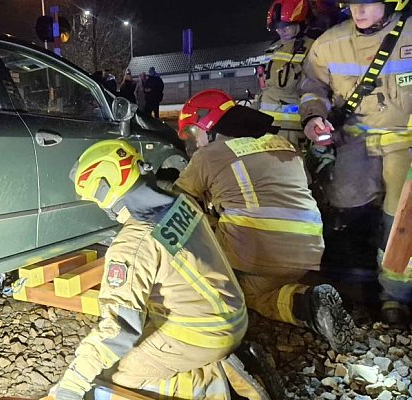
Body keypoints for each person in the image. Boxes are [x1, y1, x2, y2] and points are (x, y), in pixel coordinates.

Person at [49, 140, 267, 399]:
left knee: (117, 377)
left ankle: (217, 386)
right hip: (234, 314)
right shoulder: (180, 201)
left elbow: (120, 329)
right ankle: (223, 360)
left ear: (104, 191)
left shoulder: (133, 243)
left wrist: (71, 386)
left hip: (204, 334)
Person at [174, 89, 355, 353]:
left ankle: (190, 297)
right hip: (309, 250)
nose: (194, 143)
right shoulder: (283, 143)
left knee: (189, 226)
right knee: (262, 291)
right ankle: (310, 304)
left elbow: (177, 203)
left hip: (255, 254)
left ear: (208, 123)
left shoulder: (209, 155)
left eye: (193, 133)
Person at [300, 0, 412, 325]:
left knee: (399, 219)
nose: (358, 12)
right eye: (352, 4)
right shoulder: (329, 45)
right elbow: (312, 88)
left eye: (367, 4)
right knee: (347, 208)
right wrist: (314, 119)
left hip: (404, 141)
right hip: (355, 143)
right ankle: (355, 287)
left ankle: (395, 298)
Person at [258, 0, 315, 152]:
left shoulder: (313, 47)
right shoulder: (272, 50)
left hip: (295, 131)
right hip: (268, 129)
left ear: (301, 23)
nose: (281, 31)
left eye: (286, 26)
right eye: (277, 27)